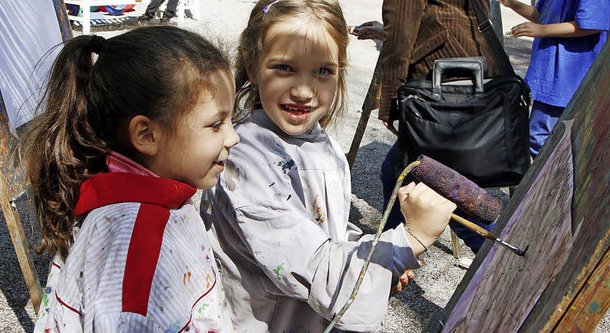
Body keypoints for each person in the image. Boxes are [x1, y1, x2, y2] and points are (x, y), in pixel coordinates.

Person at [200, 0, 457, 331]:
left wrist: (373, 255)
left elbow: (325, 228)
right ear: (252, 66)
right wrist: (412, 238)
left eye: (323, 71)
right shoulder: (244, 161)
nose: (304, 90)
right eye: (284, 68)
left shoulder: (323, 145)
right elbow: (314, 264)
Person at [25, 26, 239, 332]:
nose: (233, 137)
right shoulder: (139, 244)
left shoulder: (146, 198)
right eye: (216, 124)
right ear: (146, 135)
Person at [354, 0, 499, 254]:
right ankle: (393, 251)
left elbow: (399, 44)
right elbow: (450, 14)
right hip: (472, 80)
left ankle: (499, 256)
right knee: (395, 171)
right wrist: (387, 30)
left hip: (443, 94)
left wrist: (389, 106)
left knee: (433, 184)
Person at [498, 0, 609, 158]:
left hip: (569, 79)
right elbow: (541, 16)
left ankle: (558, 181)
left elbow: (593, 24)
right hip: (550, 77)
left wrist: (542, 30)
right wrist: (511, 4)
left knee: (541, 138)